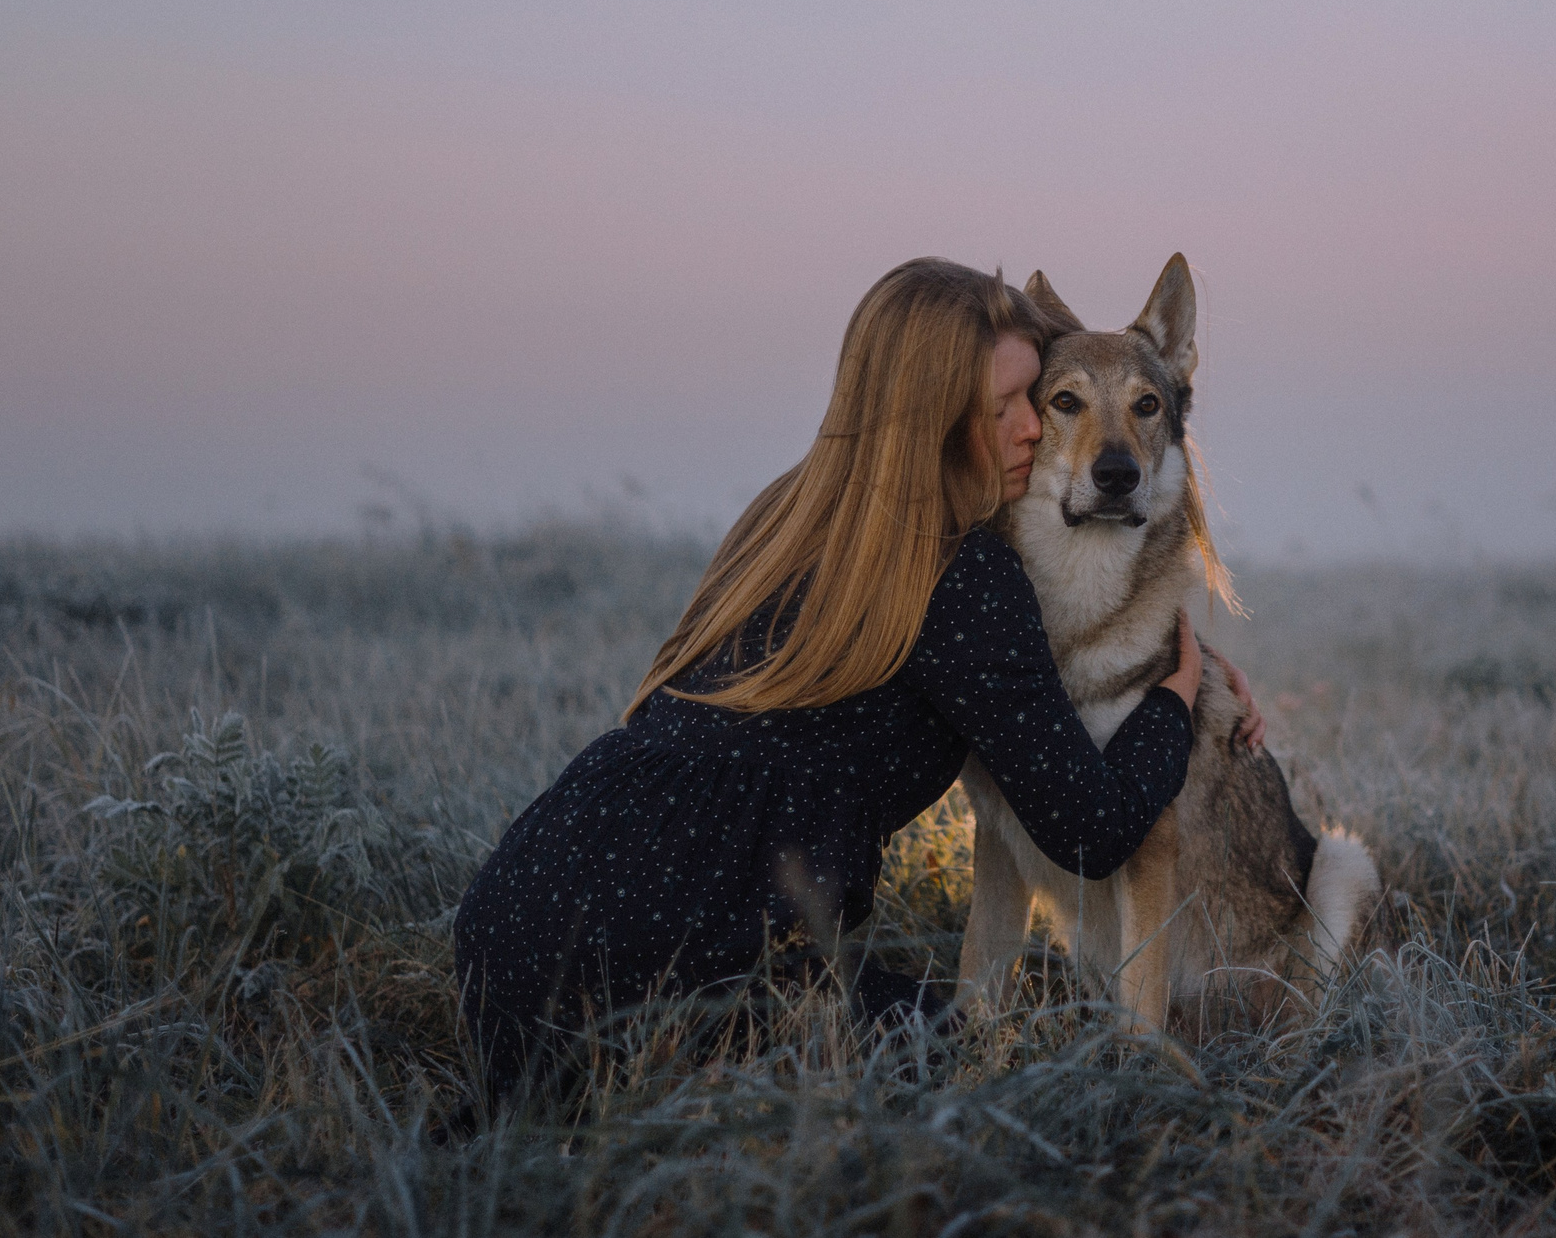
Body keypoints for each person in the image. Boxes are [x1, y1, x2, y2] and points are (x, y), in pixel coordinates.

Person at [452, 257, 1262, 1104]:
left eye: (1035, 398)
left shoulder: (790, 513)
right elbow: (1095, 832)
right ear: (931, 421)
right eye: (1006, 409)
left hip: (511, 920)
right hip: (660, 964)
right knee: (1000, 1077)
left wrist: (1155, 642)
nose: (1037, 431)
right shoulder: (966, 577)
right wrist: (1175, 694)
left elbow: (1033, 649)